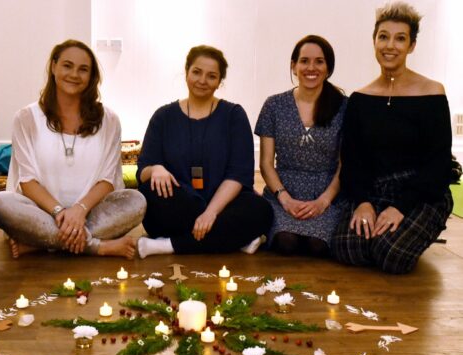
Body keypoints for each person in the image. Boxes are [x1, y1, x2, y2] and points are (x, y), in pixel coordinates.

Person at [0, 40, 145, 260]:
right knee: (0, 202)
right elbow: (26, 180)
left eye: (83, 69)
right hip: (41, 213)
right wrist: (60, 212)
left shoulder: (109, 120)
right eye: (67, 66)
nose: (74, 74)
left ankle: (42, 244)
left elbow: (108, 179)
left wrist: (80, 210)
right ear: (53, 67)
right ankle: (96, 246)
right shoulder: (26, 117)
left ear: (92, 77)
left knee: (137, 201)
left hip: (91, 214)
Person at [332, 2, 453, 274]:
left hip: (421, 190)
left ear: (411, 46)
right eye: (383, 37)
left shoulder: (432, 92)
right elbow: (352, 158)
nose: (390, 46)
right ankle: (393, 233)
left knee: (391, 256)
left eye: (400, 39)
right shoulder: (361, 99)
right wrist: (363, 203)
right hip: (375, 189)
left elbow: (438, 161)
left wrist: (400, 207)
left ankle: (421, 230)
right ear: (374, 41)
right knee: (346, 248)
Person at [136, 45, 272, 258]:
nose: (202, 80)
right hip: (179, 203)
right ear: (187, 72)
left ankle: (169, 245)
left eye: (211, 76)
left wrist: (211, 213)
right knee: (150, 196)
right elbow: (142, 170)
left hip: (224, 203)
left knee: (260, 210)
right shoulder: (163, 116)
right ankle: (231, 239)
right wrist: (156, 169)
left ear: (219, 82)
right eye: (197, 72)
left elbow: (239, 174)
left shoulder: (234, 115)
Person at [254, 35, 346, 257]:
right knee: (286, 243)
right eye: (304, 61)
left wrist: (323, 201)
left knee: (317, 246)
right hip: (283, 191)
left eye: (319, 61)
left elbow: (345, 164)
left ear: (328, 68)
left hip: (327, 194)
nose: (311, 68)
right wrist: (284, 198)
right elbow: (266, 163)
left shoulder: (344, 106)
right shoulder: (274, 105)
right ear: (294, 66)